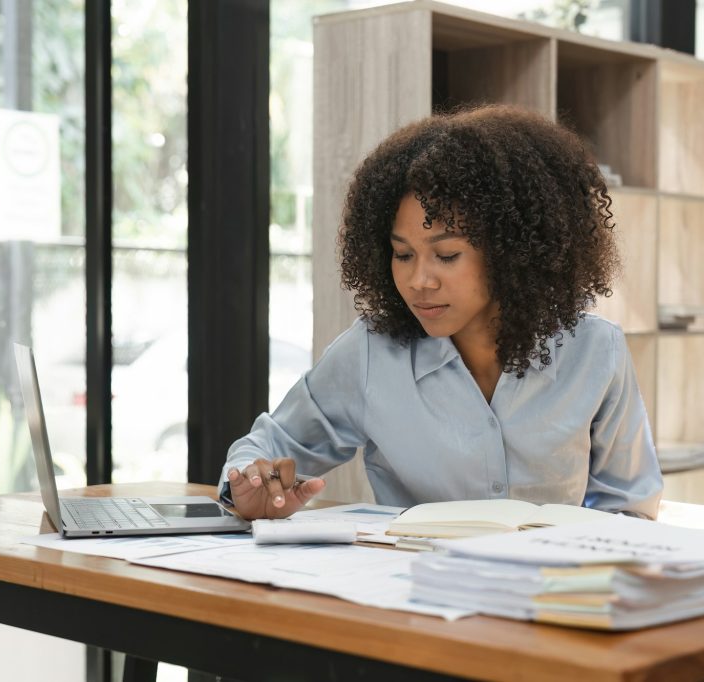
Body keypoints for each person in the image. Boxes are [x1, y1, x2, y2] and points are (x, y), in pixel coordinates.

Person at [219, 104, 663, 521]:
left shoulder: (594, 350)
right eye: (402, 254)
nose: (419, 281)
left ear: (512, 252)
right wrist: (248, 485)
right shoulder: (372, 353)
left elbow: (629, 508)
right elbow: (271, 443)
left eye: (446, 255)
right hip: (412, 590)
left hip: (550, 594)